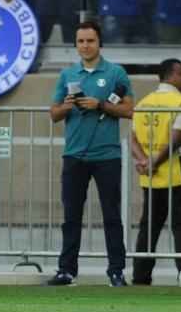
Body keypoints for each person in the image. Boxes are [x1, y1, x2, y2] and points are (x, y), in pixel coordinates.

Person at [47, 21, 135, 287]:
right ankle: (67, 270)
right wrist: (68, 105)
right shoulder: (67, 75)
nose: (85, 46)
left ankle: (116, 271)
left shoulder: (115, 73)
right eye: (81, 41)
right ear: (75, 45)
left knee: (111, 215)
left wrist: (101, 105)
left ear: (99, 43)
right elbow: (53, 114)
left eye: (90, 41)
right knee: (71, 215)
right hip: (74, 154)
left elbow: (130, 109)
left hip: (107, 155)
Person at [131, 59, 181, 287]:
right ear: (171, 76)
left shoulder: (143, 103)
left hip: (149, 176)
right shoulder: (180, 102)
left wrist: (144, 160)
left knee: (148, 227)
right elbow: (176, 137)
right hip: (175, 173)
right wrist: (154, 161)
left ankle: (140, 277)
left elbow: (132, 138)